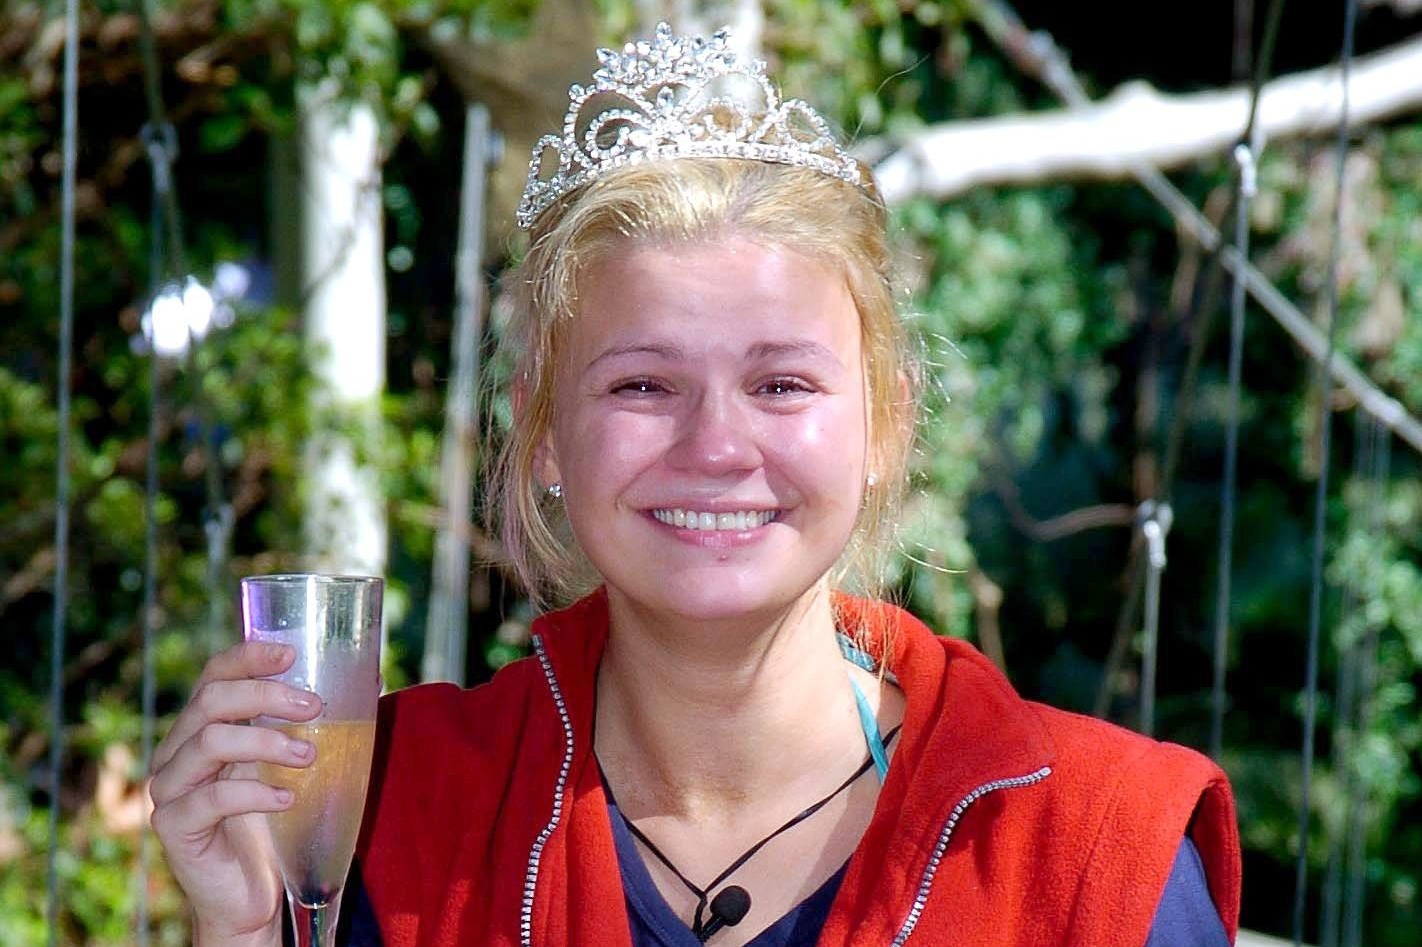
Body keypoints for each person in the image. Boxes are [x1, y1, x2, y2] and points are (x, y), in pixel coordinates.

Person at [149, 22, 1241, 947]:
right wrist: (248, 930)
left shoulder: (1098, 858)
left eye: (781, 383)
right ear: (543, 430)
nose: (717, 445)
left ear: (884, 423)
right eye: (642, 383)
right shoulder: (384, 815)